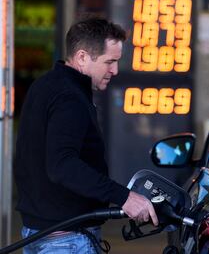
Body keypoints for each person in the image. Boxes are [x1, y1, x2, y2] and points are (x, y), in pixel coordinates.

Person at [14, 17, 158, 253]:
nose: (115, 70)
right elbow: (62, 164)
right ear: (82, 57)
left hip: (43, 233)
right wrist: (125, 197)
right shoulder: (70, 98)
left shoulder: (45, 85)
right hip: (66, 241)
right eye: (109, 62)